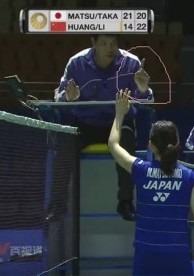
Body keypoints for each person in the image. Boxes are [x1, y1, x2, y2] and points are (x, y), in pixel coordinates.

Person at [108, 89, 194, 275]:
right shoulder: (189, 177)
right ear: (177, 143)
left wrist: (119, 114)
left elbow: (113, 145)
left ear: (150, 144)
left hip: (146, 255)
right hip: (178, 256)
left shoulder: (140, 169)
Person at [54, 34, 154, 221]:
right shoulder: (76, 63)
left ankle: (125, 202)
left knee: (127, 138)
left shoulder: (131, 64)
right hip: (85, 124)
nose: (110, 48)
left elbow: (146, 103)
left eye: (113, 43)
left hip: (118, 123)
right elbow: (58, 98)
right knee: (65, 144)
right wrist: (68, 98)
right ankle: (57, 205)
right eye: (104, 44)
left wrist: (142, 90)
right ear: (93, 43)